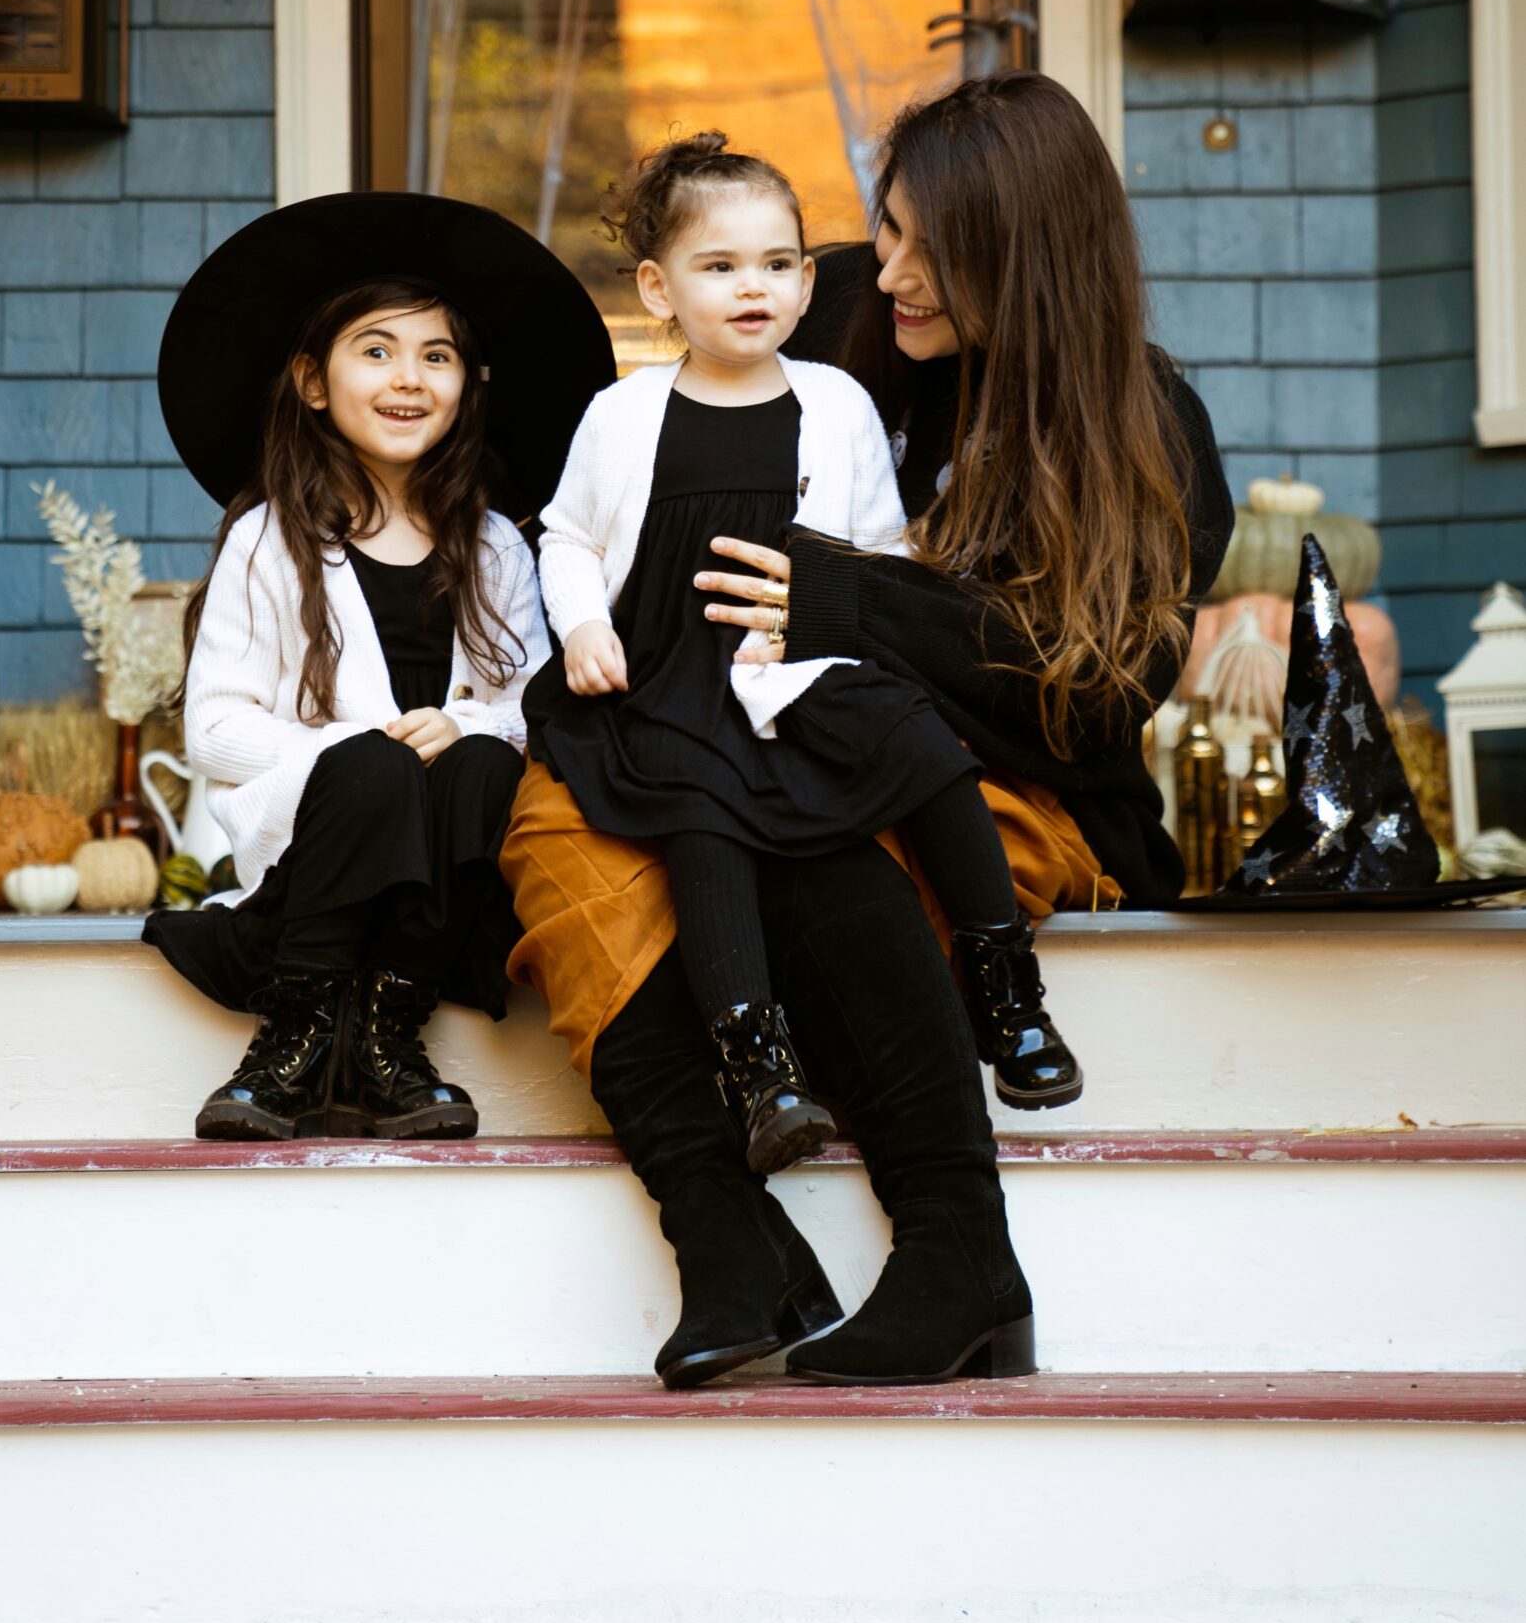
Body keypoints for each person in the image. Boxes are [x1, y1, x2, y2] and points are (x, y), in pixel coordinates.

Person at [501, 71, 1232, 1387]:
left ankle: (956, 1242)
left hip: (990, 782)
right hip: (751, 726)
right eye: (877, 228)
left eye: (913, 245)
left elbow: (1092, 698)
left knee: (817, 841)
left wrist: (858, 600)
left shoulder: (1139, 426)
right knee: (561, 824)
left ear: (1014, 254)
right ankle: (731, 1234)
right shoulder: (837, 315)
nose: (874, 269)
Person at [527, 132, 1058, 1190]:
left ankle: (1005, 986)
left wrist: (847, 631)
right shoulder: (624, 414)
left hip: (804, 664)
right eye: (718, 267)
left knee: (927, 746)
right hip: (672, 672)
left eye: (777, 263)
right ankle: (756, 1063)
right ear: (657, 289)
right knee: (701, 814)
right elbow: (570, 538)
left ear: (810, 281)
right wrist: (585, 625)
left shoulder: (837, 404)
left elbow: (882, 554)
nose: (752, 287)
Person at [143, 193, 614, 1143]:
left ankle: (391, 1029)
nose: (410, 378)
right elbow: (216, 731)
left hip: (439, 884)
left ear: (467, 385)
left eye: (436, 356)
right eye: (377, 351)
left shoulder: (494, 548)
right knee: (375, 764)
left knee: (486, 758)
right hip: (312, 867)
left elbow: (531, 703)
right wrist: (365, 748)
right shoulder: (269, 541)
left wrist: (469, 725)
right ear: (315, 383)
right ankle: (301, 1028)